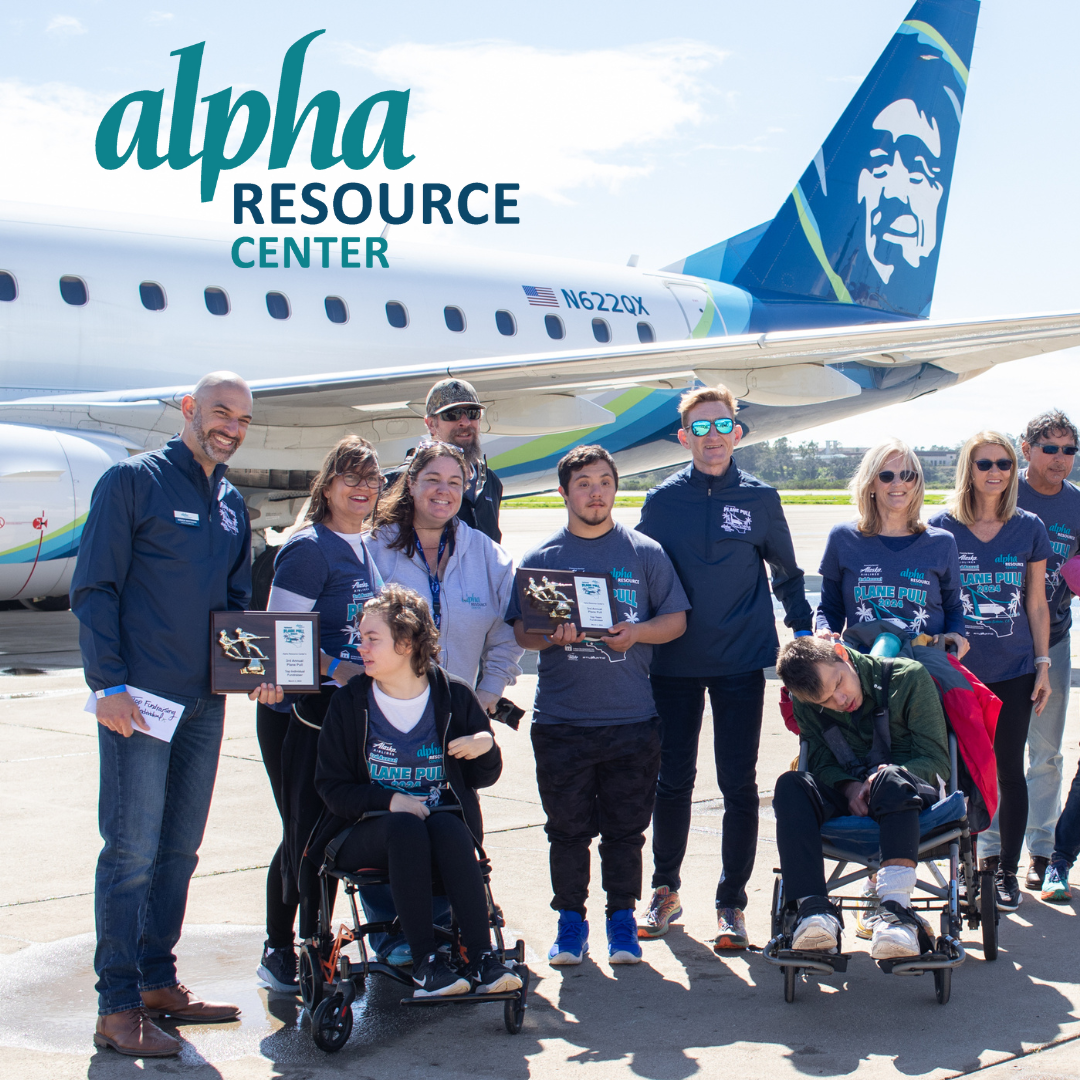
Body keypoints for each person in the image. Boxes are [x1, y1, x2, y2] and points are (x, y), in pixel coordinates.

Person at [72, 372, 255, 1057]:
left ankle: (156, 980)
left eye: (240, 418)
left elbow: (236, 604)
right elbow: (94, 587)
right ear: (189, 409)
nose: (230, 426)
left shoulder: (232, 501)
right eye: (218, 412)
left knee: (179, 850)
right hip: (140, 702)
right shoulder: (132, 483)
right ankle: (115, 1007)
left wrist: (257, 671)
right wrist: (107, 684)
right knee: (131, 853)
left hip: (205, 702)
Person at [635, 385, 813, 950]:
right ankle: (664, 889)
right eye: (700, 428)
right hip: (674, 663)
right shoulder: (662, 503)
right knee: (672, 781)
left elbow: (786, 573)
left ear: (738, 431)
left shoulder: (762, 498)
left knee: (738, 784)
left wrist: (804, 631)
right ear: (684, 437)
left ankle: (730, 904)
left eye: (723, 425)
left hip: (741, 660)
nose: (713, 437)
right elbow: (639, 578)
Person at [505, 445, 689, 967]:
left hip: (632, 720)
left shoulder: (644, 553)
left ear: (615, 487)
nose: (596, 492)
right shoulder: (543, 559)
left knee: (625, 832)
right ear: (564, 492)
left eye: (605, 481)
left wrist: (637, 634)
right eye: (583, 483)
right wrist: (550, 636)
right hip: (563, 722)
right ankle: (570, 923)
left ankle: (621, 922)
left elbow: (675, 620)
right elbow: (521, 630)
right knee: (566, 831)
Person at [314, 585, 521, 997]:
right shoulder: (350, 702)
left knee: (448, 826)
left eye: (372, 639)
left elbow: (483, 777)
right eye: (361, 637)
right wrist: (390, 800)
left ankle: (481, 957)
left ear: (406, 642)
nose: (361, 648)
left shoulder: (453, 694)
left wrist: (485, 745)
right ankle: (427, 964)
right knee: (406, 826)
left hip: (438, 828)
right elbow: (331, 787)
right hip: (365, 830)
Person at [254, 436, 384, 993]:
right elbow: (281, 641)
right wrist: (341, 671)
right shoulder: (309, 548)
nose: (361, 488)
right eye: (349, 478)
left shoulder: (365, 545)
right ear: (326, 485)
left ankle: (320, 942)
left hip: (343, 716)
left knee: (330, 833)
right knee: (303, 835)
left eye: (371, 479)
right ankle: (282, 949)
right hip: (297, 717)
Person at [930, 431, 1053, 911]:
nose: (996, 472)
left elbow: (1037, 603)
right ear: (969, 469)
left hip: (1015, 668)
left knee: (1008, 769)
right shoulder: (941, 528)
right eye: (984, 464)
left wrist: (1043, 664)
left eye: (1003, 463)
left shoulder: (1029, 527)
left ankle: (1005, 873)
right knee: (957, 772)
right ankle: (965, 869)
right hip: (958, 674)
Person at [772, 636, 951, 960]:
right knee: (791, 784)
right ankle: (814, 912)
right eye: (826, 701)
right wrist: (848, 787)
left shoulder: (908, 678)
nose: (839, 700)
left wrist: (884, 776)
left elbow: (937, 762)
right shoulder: (809, 702)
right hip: (850, 791)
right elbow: (822, 760)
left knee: (890, 779)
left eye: (839, 683)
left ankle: (896, 912)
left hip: (907, 790)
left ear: (842, 654)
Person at [367, 441, 522, 716]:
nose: (443, 490)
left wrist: (491, 688)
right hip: (384, 714)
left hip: (457, 714)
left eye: (453, 482)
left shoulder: (489, 556)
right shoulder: (374, 549)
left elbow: (508, 630)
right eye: (433, 479)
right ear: (411, 484)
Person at [996, 411, 1079, 892]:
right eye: (1050, 448)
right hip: (999, 645)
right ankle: (987, 849)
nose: (1060, 459)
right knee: (992, 752)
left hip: (1057, 640)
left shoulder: (1078, 506)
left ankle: (1041, 850)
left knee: (1044, 752)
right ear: (1025, 449)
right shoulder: (1003, 493)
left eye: (1069, 450)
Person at [815, 438, 967, 655]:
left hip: (925, 669)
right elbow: (830, 609)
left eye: (907, 475)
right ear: (870, 484)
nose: (898, 483)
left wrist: (956, 635)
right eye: (886, 476)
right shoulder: (843, 538)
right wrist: (825, 631)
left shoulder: (942, 542)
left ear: (917, 482)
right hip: (863, 668)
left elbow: (953, 608)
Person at [384, 378, 504, 542]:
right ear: (431, 424)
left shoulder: (489, 482)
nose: (465, 422)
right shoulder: (401, 480)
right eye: (452, 415)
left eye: (472, 413)